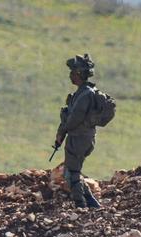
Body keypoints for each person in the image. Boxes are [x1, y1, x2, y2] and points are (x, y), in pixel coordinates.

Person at [55, 54, 101, 209]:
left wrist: (62, 131)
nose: (70, 76)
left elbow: (74, 119)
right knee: (71, 172)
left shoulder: (85, 95)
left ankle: (81, 205)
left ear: (79, 74)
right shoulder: (82, 93)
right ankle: (90, 203)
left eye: (73, 72)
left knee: (72, 173)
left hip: (79, 139)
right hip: (81, 138)